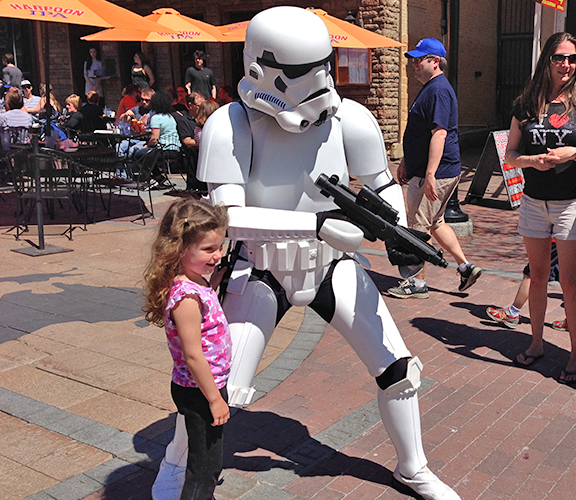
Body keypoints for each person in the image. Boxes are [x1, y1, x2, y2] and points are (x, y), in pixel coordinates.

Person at [151, 8, 461, 500]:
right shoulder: (233, 124)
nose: (317, 82)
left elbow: (382, 186)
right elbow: (226, 219)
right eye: (299, 72)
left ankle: (413, 467)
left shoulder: (350, 119)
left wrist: (397, 228)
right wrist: (315, 223)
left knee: (399, 370)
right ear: (260, 67)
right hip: (261, 267)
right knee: (216, 383)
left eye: (323, 65)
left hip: (331, 265)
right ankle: (176, 461)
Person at [503, 32, 576, 384]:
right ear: (546, 60)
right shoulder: (525, 104)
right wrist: (534, 161)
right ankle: (536, 343)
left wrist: (573, 153)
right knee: (538, 278)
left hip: (572, 204)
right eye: (560, 58)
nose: (566, 65)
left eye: (572, 58)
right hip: (533, 203)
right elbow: (511, 155)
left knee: (570, 282)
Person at [142, 198, 232, 500]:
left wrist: (213, 282)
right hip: (200, 390)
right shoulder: (186, 299)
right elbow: (193, 354)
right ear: (181, 249)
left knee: (205, 459)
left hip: (201, 387)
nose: (217, 255)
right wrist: (215, 400)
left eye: (220, 247)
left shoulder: (194, 284)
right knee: (204, 469)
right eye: (209, 249)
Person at [388, 38, 482, 300]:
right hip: (432, 170)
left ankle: (416, 284)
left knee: (417, 225)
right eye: (414, 60)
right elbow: (418, 132)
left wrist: (429, 174)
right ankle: (466, 267)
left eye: (420, 60)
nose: (415, 65)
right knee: (435, 222)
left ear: (435, 61)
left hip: (436, 172)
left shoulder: (438, 90)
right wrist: (408, 160)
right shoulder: (431, 88)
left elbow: (439, 134)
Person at [134, 90, 181, 188]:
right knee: (148, 154)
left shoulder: (156, 118)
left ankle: (149, 180)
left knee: (139, 154)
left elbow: (154, 139)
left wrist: (146, 145)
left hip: (164, 150)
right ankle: (158, 177)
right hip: (175, 149)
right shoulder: (170, 116)